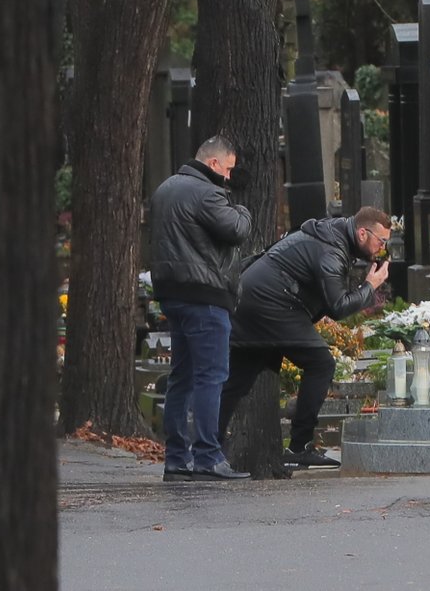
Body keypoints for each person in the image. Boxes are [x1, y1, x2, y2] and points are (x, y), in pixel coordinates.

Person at [219, 207, 391, 470]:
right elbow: (338, 306)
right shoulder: (332, 250)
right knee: (321, 363)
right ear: (362, 233)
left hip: (254, 299)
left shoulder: (334, 238)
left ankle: (206, 447)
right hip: (271, 303)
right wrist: (370, 286)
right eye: (381, 241)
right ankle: (299, 446)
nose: (382, 248)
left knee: (238, 379)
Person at [150, 135, 252, 481]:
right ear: (213, 164)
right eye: (227, 169)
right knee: (212, 376)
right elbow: (236, 229)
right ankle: (208, 456)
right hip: (205, 295)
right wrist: (243, 210)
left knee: (182, 376)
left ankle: (176, 459)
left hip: (172, 293)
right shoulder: (208, 193)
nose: (228, 176)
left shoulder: (165, 188)